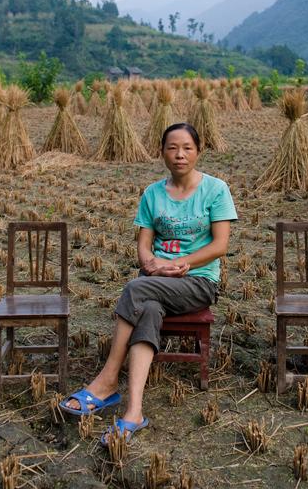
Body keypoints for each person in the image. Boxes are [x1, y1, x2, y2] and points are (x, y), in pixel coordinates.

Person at [60, 122, 237, 445]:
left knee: (135, 289)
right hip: (155, 281)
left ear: (198, 152)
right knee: (149, 309)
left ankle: (108, 379)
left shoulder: (216, 189)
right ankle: (134, 413)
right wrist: (149, 263)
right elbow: (143, 244)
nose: (180, 154)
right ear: (162, 153)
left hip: (197, 282)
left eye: (187, 147)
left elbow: (219, 245)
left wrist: (181, 263)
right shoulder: (152, 193)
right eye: (172, 148)